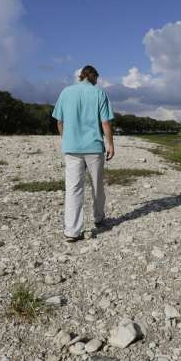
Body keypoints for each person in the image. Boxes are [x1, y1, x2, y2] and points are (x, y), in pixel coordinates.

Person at [51, 65, 115, 242]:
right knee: (97, 186)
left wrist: (66, 138)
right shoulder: (99, 93)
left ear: (81, 76)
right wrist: (110, 144)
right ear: (92, 76)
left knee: (73, 188)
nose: (97, 82)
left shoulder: (66, 92)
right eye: (96, 78)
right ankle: (98, 217)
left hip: (71, 147)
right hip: (94, 147)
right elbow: (105, 123)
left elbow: (59, 121)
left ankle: (72, 231)